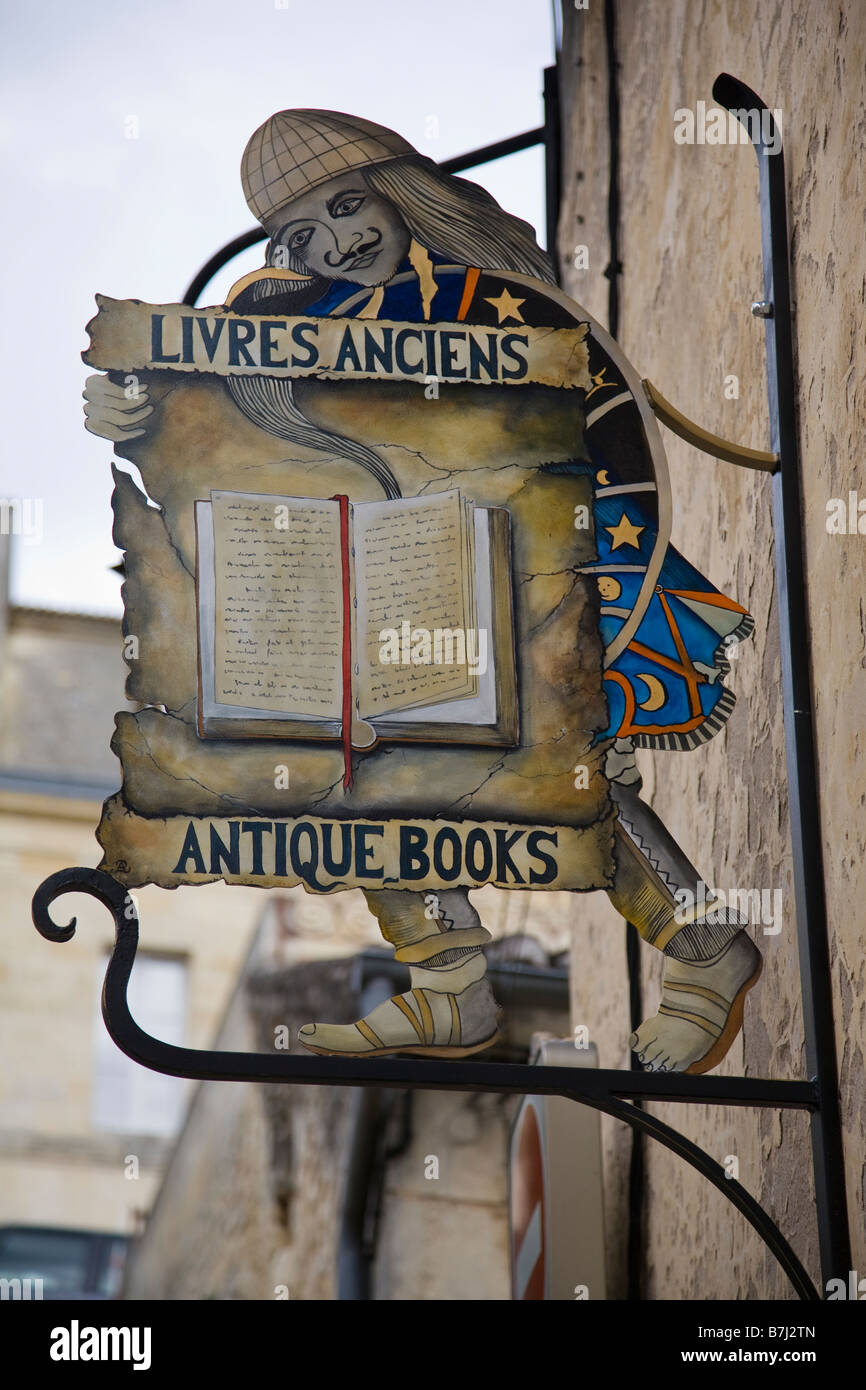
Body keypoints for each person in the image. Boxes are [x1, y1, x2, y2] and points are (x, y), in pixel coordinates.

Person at [85, 108, 762, 1074]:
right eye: (305, 235)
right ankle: (449, 983)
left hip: (538, 583)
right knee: (367, 776)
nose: (338, 242)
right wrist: (131, 410)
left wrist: (586, 594)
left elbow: (596, 440)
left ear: (405, 194)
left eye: (350, 205)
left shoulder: (500, 309)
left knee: (557, 774)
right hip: (393, 609)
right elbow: (203, 412)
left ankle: (705, 951)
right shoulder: (289, 325)